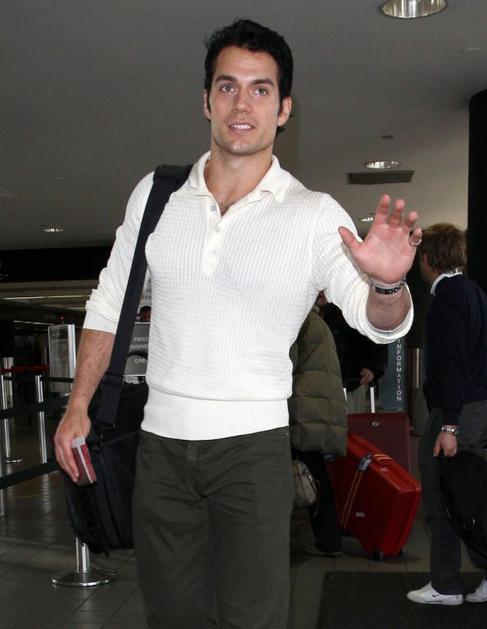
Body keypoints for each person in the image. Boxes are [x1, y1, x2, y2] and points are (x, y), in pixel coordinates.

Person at [54, 19, 421, 629]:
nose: (241, 104)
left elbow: (378, 321)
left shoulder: (311, 214)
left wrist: (386, 283)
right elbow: (110, 301)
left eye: (260, 89)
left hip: (252, 454)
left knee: (253, 618)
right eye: (227, 87)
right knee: (170, 617)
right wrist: (77, 404)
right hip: (161, 449)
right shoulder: (157, 195)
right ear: (206, 101)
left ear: (284, 109)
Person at [407, 223, 487, 606]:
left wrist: (450, 425)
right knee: (473, 496)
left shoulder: (447, 298)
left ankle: (446, 585)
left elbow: (452, 364)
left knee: (442, 497)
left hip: (456, 413)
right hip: (476, 409)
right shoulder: (474, 292)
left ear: (428, 258)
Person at [289, 307, 346, 557]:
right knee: (315, 474)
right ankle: (329, 538)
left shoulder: (297, 319)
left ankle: (328, 540)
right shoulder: (316, 322)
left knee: (309, 475)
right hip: (317, 407)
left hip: (304, 408)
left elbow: (286, 364)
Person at [318, 295, 388, 411]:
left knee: (351, 418)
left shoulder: (358, 303)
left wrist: (373, 367)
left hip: (352, 379)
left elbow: (375, 334)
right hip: (322, 380)